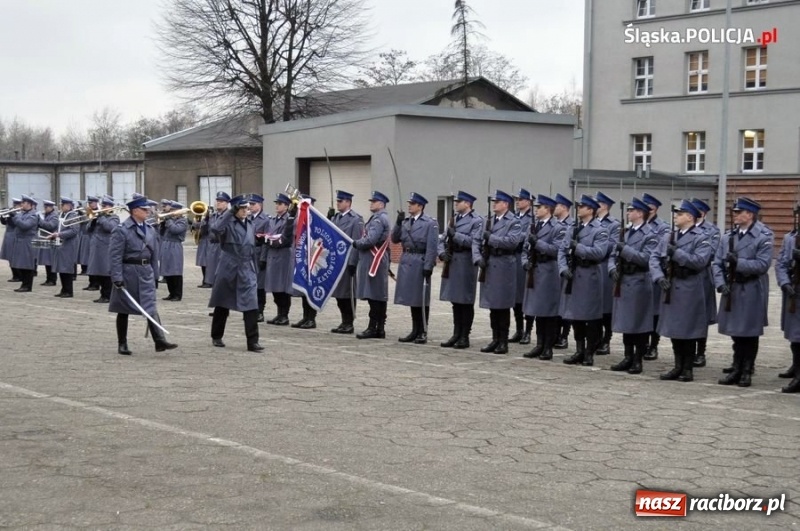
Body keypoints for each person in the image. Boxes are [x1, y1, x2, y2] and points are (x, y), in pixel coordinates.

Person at [649, 200, 713, 382]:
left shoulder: (701, 237)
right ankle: (677, 366)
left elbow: (699, 261)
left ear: (690, 217)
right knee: (675, 330)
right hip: (670, 286)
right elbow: (654, 258)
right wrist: (658, 277)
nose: (676, 217)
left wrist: (676, 253)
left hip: (690, 288)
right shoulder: (669, 237)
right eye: (676, 214)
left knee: (688, 330)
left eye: (680, 214)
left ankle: (688, 368)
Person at [712, 197, 773, 387]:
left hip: (752, 288)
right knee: (736, 333)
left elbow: (763, 265)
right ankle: (736, 367)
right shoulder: (728, 236)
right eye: (735, 212)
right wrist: (720, 283)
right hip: (733, 287)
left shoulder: (764, 236)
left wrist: (739, 262)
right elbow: (717, 263)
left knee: (749, 332)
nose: (736, 215)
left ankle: (747, 370)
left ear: (750, 214)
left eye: (739, 212)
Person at [109, 196, 177, 355]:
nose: (148, 212)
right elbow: (115, 255)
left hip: (146, 271)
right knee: (123, 308)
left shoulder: (150, 229)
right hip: (128, 272)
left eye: (148, 209)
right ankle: (122, 343)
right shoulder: (121, 229)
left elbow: (154, 254)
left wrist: (155, 275)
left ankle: (159, 341)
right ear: (134, 211)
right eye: (144, 210)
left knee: (150, 306)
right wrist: (117, 277)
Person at [558, 194, 609, 366]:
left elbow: (599, 253)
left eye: (582, 206)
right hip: (573, 275)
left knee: (592, 318)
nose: (578, 209)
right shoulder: (573, 228)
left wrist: (578, 247)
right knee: (576, 317)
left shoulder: (600, 230)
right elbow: (562, 250)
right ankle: (579, 349)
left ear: (590, 210)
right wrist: (563, 268)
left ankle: (589, 352)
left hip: (589, 275)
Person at [607, 198, 657, 374]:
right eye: (628, 210)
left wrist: (625, 250)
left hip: (639, 280)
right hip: (624, 280)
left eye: (631, 210)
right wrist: (612, 269)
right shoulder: (626, 232)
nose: (628, 213)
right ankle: (628, 356)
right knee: (626, 322)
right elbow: (613, 255)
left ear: (640, 213)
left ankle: (638, 359)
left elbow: (647, 258)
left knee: (639, 323)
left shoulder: (650, 234)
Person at [208, 195, 263, 352]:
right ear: (235, 209)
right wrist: (229, 213)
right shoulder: (228, 223)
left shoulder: (250, 224)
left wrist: (254, 268)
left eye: (247, 208)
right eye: (242, 208)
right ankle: (216, 335)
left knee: (251, 304)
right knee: (222, 302)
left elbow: (251, 248)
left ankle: (253, 341)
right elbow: (216, 229)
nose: (245, 211)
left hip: (246, 267)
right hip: (229, 266)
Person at [475, 190, 522, 355]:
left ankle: (503, 341)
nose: (494, 204)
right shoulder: (489, 221)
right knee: (493, 306)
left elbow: (512, 242)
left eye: (497, 201)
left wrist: (491, 238)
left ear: (506, 204)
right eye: (494, 201)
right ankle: (495, 339)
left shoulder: (514, 222)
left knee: (502, 306)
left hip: (504, 266)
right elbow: (477, 241)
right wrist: (478, 257)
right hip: (490, 264)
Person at [521, 194, 566, 361]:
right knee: (538, 310)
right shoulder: (533, 227)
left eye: (539, 207)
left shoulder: (558, 227)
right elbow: (525, 248)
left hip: (549, 271)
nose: (536, 210)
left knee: (549, 312)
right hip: (534, 269)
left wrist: (537, 243)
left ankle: (548, 347)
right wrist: (525, 262)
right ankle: (539, 344)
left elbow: (557, 250)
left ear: (548, 209)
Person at [392, 192, 438, 344]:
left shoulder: (430, 223)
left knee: (422, 298)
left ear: (420, 206)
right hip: (407, 260)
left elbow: (432, 247)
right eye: (409, 203)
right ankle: (414, 329)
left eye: (412, 204)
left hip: (420, 260)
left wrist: (428, 265)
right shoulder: (405, 221)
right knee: (412, 297)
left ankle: (423, 330)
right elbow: (394, 239)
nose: (409, 206)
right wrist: (398, 223)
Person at [439, 190, 483, 349]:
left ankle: (465, 335)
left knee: (465, 301)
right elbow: (442, 239)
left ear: (468, 204)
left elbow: (474, 242)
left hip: (466, 262)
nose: (456, 204)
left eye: (460, 201)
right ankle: (456, 333)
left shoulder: (477, 221)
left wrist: (455, 235)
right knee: (455, 301)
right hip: (453, 261)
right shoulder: (454, 219)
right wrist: (442, 253)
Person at [352, 191, 392, 339]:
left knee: (374, 295)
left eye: (374, 201)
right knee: (378, 294)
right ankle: (379, 327)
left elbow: (370, 240)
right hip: (377, 259)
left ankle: (373, 327)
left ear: (381, 204)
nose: (371, 203)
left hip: (373, 259)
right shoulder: (380, 218)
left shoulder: (378, 220)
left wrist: (356, 243)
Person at [690, 198, 720, 368]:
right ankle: (687, 350)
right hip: (687, 275)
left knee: (702, 315)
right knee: (687, 313)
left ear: (703, 213)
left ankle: (700, 352)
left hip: (703, 275)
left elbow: (712, 252)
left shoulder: (712, 231)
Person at [330, 190, 364, 334]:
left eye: (340, 201)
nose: (338, 203)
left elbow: (356, 242)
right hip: (335, 260)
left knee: (348, 292)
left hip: (347, 260)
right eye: (337, 201)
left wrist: (353, 262)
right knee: (338, 294)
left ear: (348, 203)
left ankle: (349, 322)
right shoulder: (335, 218)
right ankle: (344, 321)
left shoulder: (356, 219)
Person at [642, 193, 670, 360]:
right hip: (639, 273)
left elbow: (658, 250)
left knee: (654, 312)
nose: (648, 212)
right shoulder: (637, 225)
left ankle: (653, 345)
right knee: (642, 311)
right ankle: (643, 343)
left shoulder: (662, 227)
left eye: (651, 209)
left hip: (653, 273)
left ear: (656, 209)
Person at [775, 219, 800, 393]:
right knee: (795, 336)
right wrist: (784, 282)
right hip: (794, 291)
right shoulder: (790, 238)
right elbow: (781, 263)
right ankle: (797, 369)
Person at [594, 191, 621, 355]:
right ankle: (595, 338)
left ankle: (606, 339)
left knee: (606, 308)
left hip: (604, 266)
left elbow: (612, 246)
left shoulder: (613, 225)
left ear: (604, 205)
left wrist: (595, 245)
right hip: (592, 266)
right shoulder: (591, 223)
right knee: (594, 306)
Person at [291, 194, 321, 329]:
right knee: (304, 289)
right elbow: (292, 232)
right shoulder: (300, 217)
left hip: (312, 256)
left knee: (310, 286)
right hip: (302, 256)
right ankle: (305, 316)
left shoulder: (316, 218)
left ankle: (311, 318)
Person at [263, 192, 294, 325]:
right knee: (274, 287)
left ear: (287, 206)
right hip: (272, 255)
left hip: (283, 256)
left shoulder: (289, 219)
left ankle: (284, 314)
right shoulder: (272, 219)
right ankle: (279, 313)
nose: (277, 206)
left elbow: (287, 237)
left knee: (282, 287)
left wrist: (274, 241)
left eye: (280, 204)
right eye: (276, 204)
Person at [87, 196, 121, 304]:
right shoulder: (98, 217)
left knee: (106, 273)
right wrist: (92, 221)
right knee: (98, 272)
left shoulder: (114, 217)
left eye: (105, 206)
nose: (103, 207)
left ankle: (108, 295)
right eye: (103, 205)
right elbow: (87, 230)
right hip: (96, 248)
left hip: (106, 248)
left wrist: (101, 218)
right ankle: (103, 294)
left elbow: (110, 228)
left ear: (110, 207)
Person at [553, 193, 574, 350]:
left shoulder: (571, 225)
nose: (555, 208)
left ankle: (564, 335)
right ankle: (555, 333)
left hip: (566, 267)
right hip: (556, 267)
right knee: (555, 302)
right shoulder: (554, 224)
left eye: (558, 205)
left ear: (565, 208)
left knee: (565, 303)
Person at [49, 197, 81, 298]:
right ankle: (64, 289)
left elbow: (74, 231)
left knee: (66, 267)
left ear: (68, 206)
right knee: (61, 267)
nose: (61, 207)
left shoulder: (73, 216)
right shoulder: (62, 214)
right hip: (61, 244)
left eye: (62, 205)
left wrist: (59, 234)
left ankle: (68, 291)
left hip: (69, 244)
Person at [159, 200, 188, 301]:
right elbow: (162, 233)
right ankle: (171, 293)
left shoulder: (183, 221)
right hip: (166, 245)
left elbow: (175, 230)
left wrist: (168, 220)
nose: (172, 212)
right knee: (167, 270)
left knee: (175, 270)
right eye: (171, 210)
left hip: (175, 246)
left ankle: (177, 294)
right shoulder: (170, 221)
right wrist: (162, 224)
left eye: (174, 210)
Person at [10, 194, 39, 293]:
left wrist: (15, 217)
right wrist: (10, 217)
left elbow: (24, 226)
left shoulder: (33, 215)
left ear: (29, 204)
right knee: (21, 264)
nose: (21, 204)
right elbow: (15, 225)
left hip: (28, 241)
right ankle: (24, 284)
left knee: (27, 264)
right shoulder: (22, 213)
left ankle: (27, 285)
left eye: (23, 203)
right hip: (20, 241)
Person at [248, 194, 270, 321]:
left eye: (253, 204)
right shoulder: (248, 218)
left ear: (260, 205)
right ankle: (251, 309)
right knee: (250, 284)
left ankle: (260, 311)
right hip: (248, 254)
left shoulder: (265, 220)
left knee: (260, 286)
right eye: (250, 204)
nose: (250, 207)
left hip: (258, 253)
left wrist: (263, 258)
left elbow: (266, 240)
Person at [205, 192, 231, 288]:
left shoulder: (228, 215)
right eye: (217, 201)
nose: (218, 203)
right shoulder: (213, 215)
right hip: (212, 245)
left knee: (222, 271)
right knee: (212, 270)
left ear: (227, 203)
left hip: (222, 245)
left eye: (221, 201)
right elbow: (207, 230)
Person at [79, 195, 101, 290]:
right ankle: (91, 282)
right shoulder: (88, 211)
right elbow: (85, 223)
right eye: (89, 203)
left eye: (92, 203)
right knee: (89, 262)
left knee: (95, 262)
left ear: (96, 203)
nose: (90, 204)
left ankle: (96, 284)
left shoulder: (99, 212)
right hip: (89, 238)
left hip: (96, 239)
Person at [38, 200, 59, 286]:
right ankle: (48, 279)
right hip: (46, 239)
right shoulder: (46, 215)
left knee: (51, 261)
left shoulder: (54, 216)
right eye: (44, 207)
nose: (45, 209)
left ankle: (52, 280)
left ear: (51, 207)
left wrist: (40, 220)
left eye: (46, 207)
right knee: (47, 261)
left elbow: (51, 226)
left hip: (52, 240)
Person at [1, 197, 23, 282]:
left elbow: (14, 224)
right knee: (10, 256)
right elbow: (4, 223)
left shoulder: (20, 213)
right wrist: (3, 217)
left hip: (15, 235)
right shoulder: (12, 212)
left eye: (16, 205)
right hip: (8, 236)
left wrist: (11, 216)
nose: (15, 206)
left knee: (16, 257)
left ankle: (19, 275)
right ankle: (15, 275)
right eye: (14, 205)